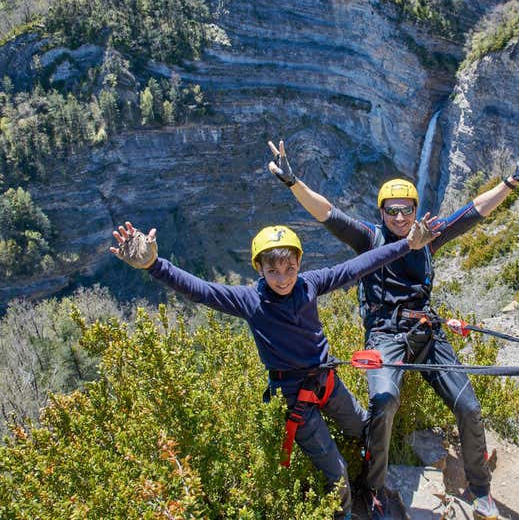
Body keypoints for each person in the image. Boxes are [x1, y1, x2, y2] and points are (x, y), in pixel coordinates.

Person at [266, 138, 519, 520]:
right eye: (391, 211)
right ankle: (373, 489)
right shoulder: (368, 238)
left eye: (405, 210)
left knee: (469, 407)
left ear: (414, 210)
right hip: (384, 336)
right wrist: (294, 182)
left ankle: (480, 490)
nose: (399, 218)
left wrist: (512, 180)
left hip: (426, 332)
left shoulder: (429, 235)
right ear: (382, 213)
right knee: (383, 401)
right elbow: (327, 213)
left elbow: (473, 212)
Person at [109, 218, 439, 520]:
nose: (283, 278)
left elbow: (358, 266)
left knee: (368, 431)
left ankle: (373, 488)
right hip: (296, 398)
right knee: (337, 475)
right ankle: (347, 514)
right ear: (260, 269)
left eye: (290, 268)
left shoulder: (310, 284)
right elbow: (199, 290)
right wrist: (154, 265)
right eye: (273, 271)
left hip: (327, 381)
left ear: (299, 264)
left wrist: (407, 244)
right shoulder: (250, 301)